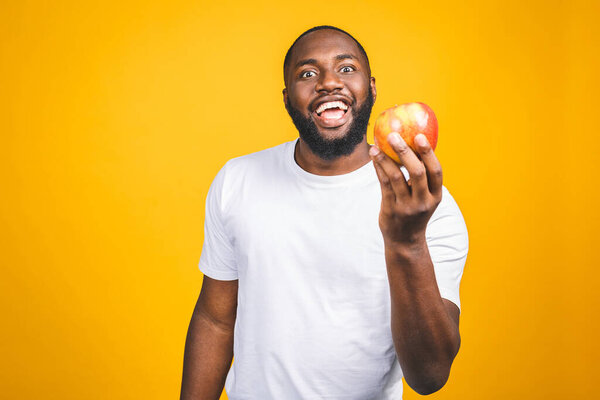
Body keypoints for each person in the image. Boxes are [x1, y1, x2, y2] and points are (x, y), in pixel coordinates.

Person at [180, 25, 468, 400]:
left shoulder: (425, 206)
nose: (329, 82)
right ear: (287, 99)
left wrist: (408, 243)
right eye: (308, 73)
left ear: (373, 88)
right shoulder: (238, 180)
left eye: (346, 68)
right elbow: (215, 320)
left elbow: (429, 377)